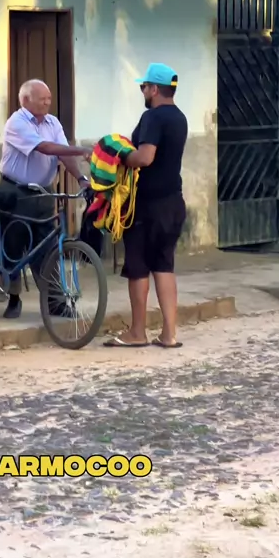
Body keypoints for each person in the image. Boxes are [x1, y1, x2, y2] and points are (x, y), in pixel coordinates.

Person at [104, 63, 188, 349]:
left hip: (147, 206)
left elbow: (145, 157)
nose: (142, 91)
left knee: (138, 267)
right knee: (164, 265)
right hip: (173, 202)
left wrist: (118, 158)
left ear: (154, 89)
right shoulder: (179, 117)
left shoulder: (152, 116)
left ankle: (137, 332)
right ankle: (169, 334)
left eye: (144, 86)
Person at [0, 79, 92, 319]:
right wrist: (81, 150)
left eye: (49, 98)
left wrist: (81, 178)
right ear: (25, 100)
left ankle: (55, 302)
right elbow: (45, 148)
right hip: (16, 191)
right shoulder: (17, 123)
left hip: (44, 192)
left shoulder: (53, 122)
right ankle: (13, 298)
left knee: (48, 247)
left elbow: (62, 152)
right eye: (42, 99)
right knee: (13, 245)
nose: (47, 102)